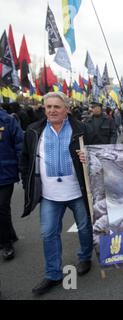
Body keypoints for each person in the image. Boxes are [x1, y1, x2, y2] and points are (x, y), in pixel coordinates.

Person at [20, 92, 94, 295]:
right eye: (48, 107)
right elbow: (25, 159)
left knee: (85, 227)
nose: (52, 110)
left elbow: (98, 153)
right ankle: (53, 273)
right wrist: (28, 185)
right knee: (48, 233)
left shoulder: (82, 129)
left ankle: (85, 257)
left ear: (67, 109)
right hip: (49, 195)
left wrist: (89, 156)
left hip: (77, 191)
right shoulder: (34, 130)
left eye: (57, 107)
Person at [0, 104, 23, 261]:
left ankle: (6, 243)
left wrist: (23, 169)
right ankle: (10, 235)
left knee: (1, 207)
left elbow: (20, 145)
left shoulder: (8, 121)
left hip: (5, 172)